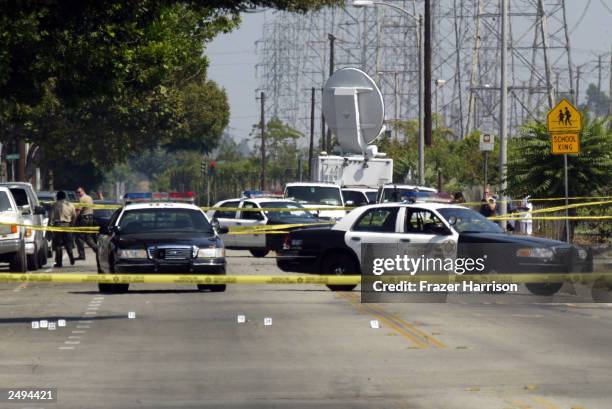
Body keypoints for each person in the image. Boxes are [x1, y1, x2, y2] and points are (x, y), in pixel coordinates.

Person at [51, 190, 76, 267]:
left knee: (58, 245)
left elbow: (51, 217)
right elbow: (74, 216)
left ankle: (59, 262)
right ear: (65, 197)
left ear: (57, 197)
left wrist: (50, 227)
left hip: (58, 226)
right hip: (67, 225)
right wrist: (71, 225)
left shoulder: (55, 205)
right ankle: (71, 257)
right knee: (68, 244)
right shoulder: (70, 205)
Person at [74, 186, 98, 260]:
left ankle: (82, 255)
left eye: (79, 192)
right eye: (77, 192)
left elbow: (78, 211)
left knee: (79, 237)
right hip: (90, 218)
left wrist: (74, 219)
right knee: (88, 237)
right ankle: (97, 250)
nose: (78, 193)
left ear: (83, 191)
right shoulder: (89, 197)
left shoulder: (82, 199)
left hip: (84, 219)